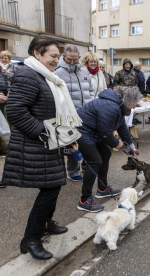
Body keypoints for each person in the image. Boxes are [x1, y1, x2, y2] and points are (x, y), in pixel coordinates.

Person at [2, 37, 81, 260]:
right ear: (37, 53)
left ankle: (46, 224)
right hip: (35, 144)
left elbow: (52, 112)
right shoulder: (28, 74)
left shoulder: (45, 75)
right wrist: (43, 132)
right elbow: (16, 111)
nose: (57, 60)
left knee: (54, 185)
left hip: (48, 143)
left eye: (58, 56)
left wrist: (66, 138)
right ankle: (30, 239)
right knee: (51, 187)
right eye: (53, 56)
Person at [76, 86, 142, 212]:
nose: (134, 107)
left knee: (105, 153)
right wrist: (115, 143)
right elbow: (105, 131)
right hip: (82, 131)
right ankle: (84, 200)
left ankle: (102, 188)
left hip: (93, 132)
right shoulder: (111, 106)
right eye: (134, 104)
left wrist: (131, 147)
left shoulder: (118, 105)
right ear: (128, 100)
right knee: (95, 161)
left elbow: (122, 127)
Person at [55, 45, 94, 182]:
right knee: (72, 142)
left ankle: (86, 165)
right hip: (69, 115)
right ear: (64, 56)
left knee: (87, 141)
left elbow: (90, 91)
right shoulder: (58, 73)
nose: (72, 62)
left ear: (79, 57)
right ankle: (72, 171)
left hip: (86, 113)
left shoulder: (84, 71)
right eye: (69, 59)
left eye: (75, 59)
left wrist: (91, 106)